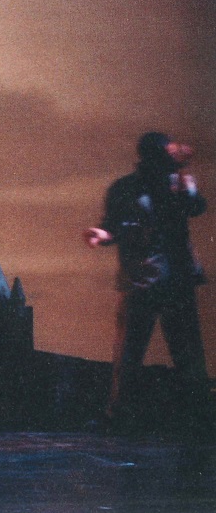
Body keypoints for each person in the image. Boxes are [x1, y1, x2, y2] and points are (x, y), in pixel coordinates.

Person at [83, 131, 211, 435]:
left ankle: (200, 419)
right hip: (141, 280)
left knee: (187, 354)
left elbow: (196, 207)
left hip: (176, 280)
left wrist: (188, 186)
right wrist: (103, 235)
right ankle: (119, 417)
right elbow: (113, 225)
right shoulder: (125, 189)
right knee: (129, 354)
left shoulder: (176, 184)